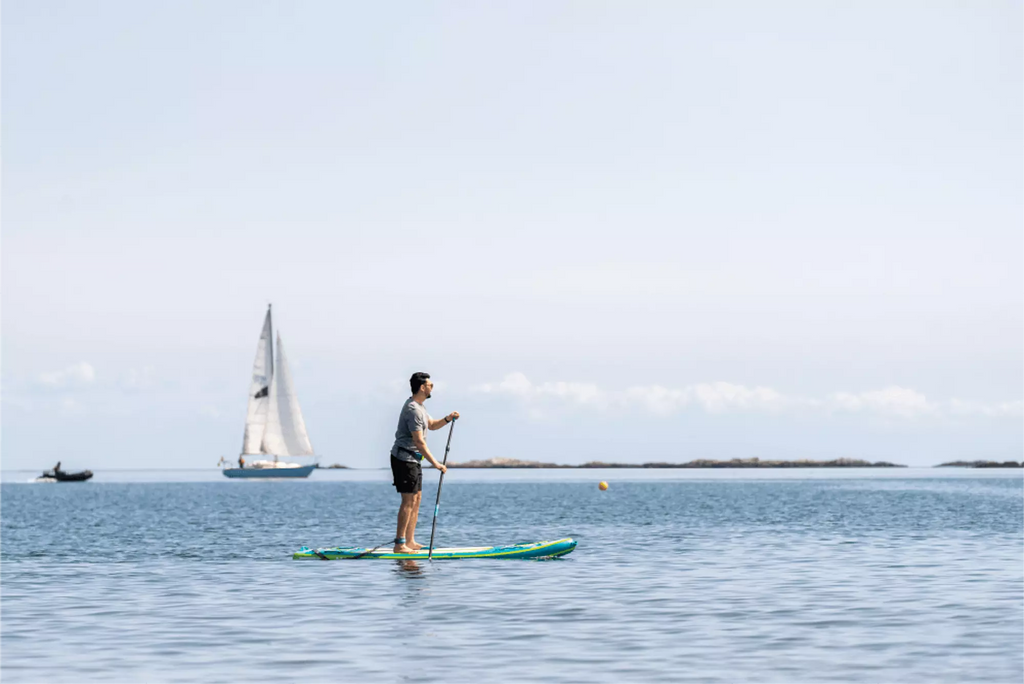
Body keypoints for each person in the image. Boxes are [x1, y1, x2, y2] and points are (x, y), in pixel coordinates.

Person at [390, 372, 459, 553]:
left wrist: (448, 418)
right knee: (408, 500)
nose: (432, 388)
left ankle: (410, 541)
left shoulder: (421, 407)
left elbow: (433, 425)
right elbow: (419, 442)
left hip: (414, 460)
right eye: (430, 385)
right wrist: (436, 464)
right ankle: (399, 544)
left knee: (417, 499)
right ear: (422, 387)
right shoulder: (412, 409)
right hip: (403, 459)